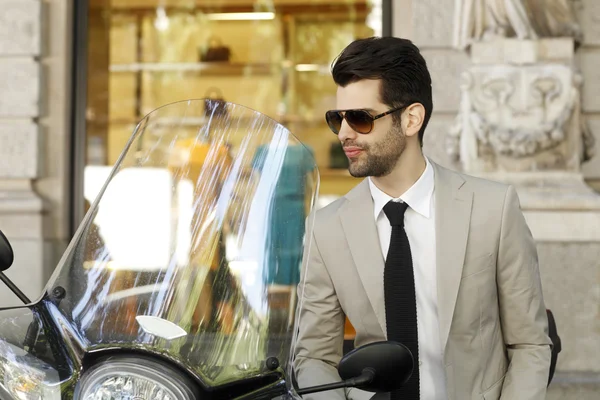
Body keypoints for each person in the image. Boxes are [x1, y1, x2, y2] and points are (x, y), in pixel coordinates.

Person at [293, 37, 552, 400]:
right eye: (338, 118)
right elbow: (314, 358)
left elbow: (530, 346)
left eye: (361, 118)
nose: (345, 133)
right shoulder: (326, 229)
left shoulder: (493, 208)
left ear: (411, 119)